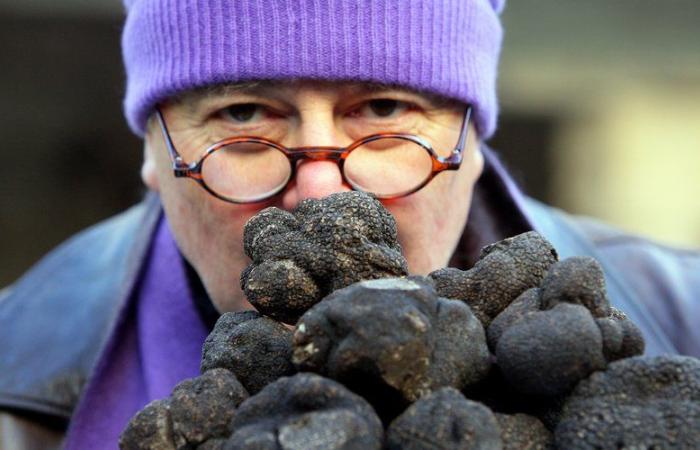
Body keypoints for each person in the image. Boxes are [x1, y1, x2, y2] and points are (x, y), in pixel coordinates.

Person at [1, 0, 698, 448]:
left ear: (474, 147)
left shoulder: (686, 316)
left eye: (385, 110)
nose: (320, 191)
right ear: (152, 155)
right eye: (242, 115)